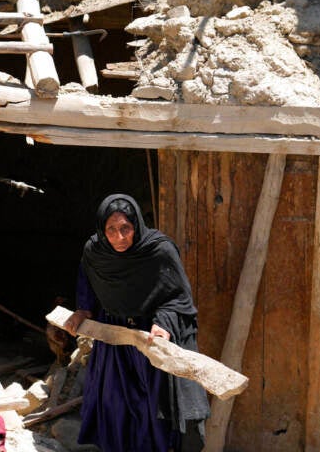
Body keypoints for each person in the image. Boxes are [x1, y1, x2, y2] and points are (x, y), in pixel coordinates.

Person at [64, 193, 209, 452]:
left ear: (136, 225)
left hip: (150, 338)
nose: (120, 237)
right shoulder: (95, 252)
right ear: (101, 229)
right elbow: (87, 280)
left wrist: (163, 323)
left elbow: (178, 296)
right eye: (111, 229)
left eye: (126, 228)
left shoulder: (158, 250)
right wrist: (83, 310)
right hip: (115, 342)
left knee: (152, 409)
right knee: (114, 405)